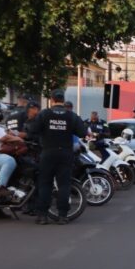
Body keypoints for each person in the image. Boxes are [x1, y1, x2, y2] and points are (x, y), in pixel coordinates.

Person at [30, 89, 87, 225]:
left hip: (48, 152)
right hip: (65, 153)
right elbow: (82, 132)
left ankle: (43, 216)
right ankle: (62, 216)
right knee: (64, 185)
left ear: (52, 100)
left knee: (45, 184)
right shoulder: (71, 115)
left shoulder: (44, 114)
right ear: (63, 100)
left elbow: (32, 130)